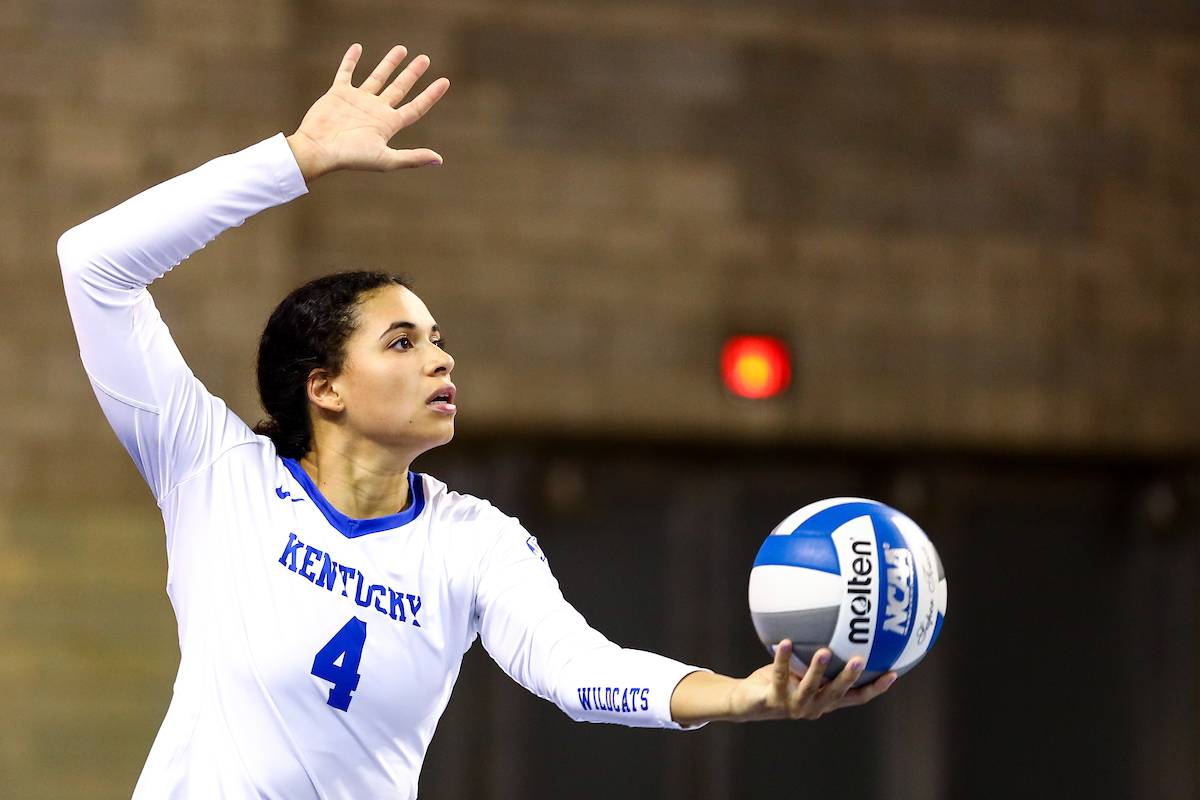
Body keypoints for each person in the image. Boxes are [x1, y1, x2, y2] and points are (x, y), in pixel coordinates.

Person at [58, 43, 895, 799]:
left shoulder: (472, 542)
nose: (441, 360)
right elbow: (93, 265)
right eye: (402, 341)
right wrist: (296, 159)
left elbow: (580, 672)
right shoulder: (213, 473)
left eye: (439, 341)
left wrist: (745, 696)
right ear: (325, 387)